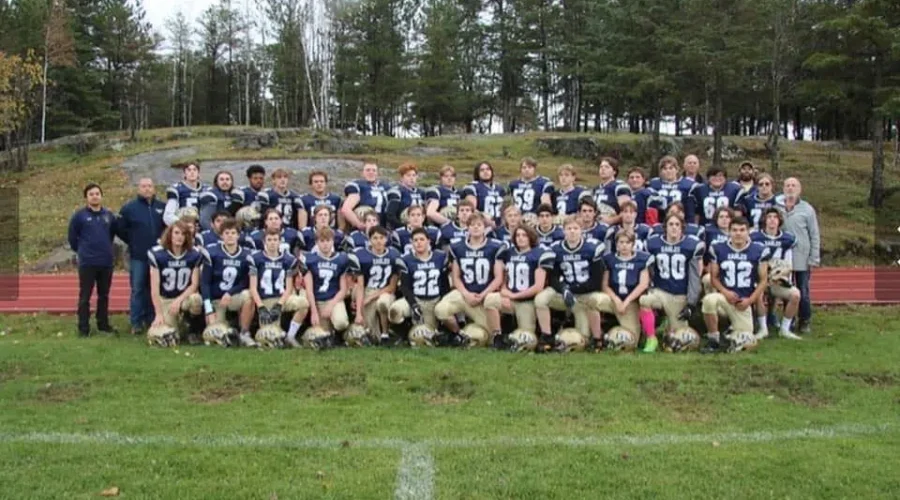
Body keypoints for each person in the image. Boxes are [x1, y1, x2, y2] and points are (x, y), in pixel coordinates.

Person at [534, 215, 606, 348]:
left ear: (581, 230)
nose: (572, 231)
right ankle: (547, 336)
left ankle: (597, 337)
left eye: (575, 228)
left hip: (586, 294)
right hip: (565, 292)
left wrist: (570, 290)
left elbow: (596, 282)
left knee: (582, 338)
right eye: (569, 228)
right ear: (563, 231)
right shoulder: (556, 248)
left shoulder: (592, 247)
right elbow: (553, 278)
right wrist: (563, 289)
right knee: (540, 299)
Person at [434, 211, 507, 343]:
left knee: (487, 335)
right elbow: (456, 277)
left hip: (484, 296)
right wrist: (466, 294)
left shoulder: (495, 246)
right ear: (467, 228)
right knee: (441, 310)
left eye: (479, 224)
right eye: (472, 225)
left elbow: (498, 278)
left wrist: (483, 295)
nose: (476, 227)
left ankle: (473, 332)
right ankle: (458, 333)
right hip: (464, 294)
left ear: (485, 227)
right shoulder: (458, 247)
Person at [701, 216, 771, 352]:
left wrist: (750, 300)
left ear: (748, 232)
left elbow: (763, 281)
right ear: (729, 232)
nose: (738, 233)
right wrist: (725, 292)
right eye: (734, 230)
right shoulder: (718, 248)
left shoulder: (759, 250)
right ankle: (713, 339)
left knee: (746, 339)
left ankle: (729, 336)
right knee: (709, 300)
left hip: (743, 302)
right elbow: (714, 278)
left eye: (742, 230)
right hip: (725, 298)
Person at [640, 214, 705, 352]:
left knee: (678, 338)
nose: (674, 227)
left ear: (682, 228)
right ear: (665, 227)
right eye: (671, 224)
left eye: (677, 225)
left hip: (679, 296)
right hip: (660, 292)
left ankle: (667, 326)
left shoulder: (691, 246)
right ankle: (651, 339)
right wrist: (650, 286)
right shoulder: (653, 244)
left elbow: (694, 277)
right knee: (644, 300)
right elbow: (648, 269)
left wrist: (691, 304)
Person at [484, 225, 553, 348]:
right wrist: (504, 290)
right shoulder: (509, 253)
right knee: (490, 300)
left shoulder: (538, 254)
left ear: (530, 237)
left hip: (527, 301)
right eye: (518, 235)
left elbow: (538, 286)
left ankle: (515, 340)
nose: (520, 238)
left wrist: (515, 295)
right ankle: (498, 336)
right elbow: (506, 276)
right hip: (510, 299)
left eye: (524, 235)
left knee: (527, 337)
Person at [68, 183, 119, 336]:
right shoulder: (79, 216)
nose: (95, 196)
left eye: (97, 193)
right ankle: (83, 328)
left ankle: (103, 325)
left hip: (105, 262)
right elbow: (72, 238)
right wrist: (83, 251)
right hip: (87, 263)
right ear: (86, 198)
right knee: (85, 296)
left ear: (101, 196)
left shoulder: (108, 216)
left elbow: (111, 235)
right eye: (91, 194)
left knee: (104, 295)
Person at [116, 177, 166, 335]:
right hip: (139, 256)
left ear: (154, 188)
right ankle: (136, 322)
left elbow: (167, 230)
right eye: (143, 186)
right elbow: (120, 229)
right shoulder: (129, 208)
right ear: (139, 188)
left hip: (158, 257)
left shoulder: (162, 207)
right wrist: (133, 241)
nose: (147, 189)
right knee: (137, 289)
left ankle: (152, 319)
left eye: (150, 186)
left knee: (154, 288)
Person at [200, 219, 256, 347]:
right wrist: (209, 310)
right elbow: (205, 283)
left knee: (249, 295)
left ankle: (244, 333)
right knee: (217, 335)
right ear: (221, 235)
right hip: (216, 300)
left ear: (238, 235)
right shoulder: (213, 253)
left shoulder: (246, 255)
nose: (230, 235)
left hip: (232, 297)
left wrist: (230, 293)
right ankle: (227, 329)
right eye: (227, 233)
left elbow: (244, 282)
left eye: (233, 232)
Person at [249, 229, 308, 347]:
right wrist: (261, 307)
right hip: (266, 300)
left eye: (275, 240)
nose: (272, 243)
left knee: (304, 303)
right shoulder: (256, 258)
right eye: (269, 240)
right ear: (264, 242)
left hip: (282, 298)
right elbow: (253, 288)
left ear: (280, 242)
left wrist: (280, 304)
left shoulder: (287, 259)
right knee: (271, 336)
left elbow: (289, 287)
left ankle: (290, 336)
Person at [751, 208, 802, 340]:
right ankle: (763, 328)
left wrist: (782, 275)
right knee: (758, 294)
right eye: (769, 217)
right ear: (764, 220)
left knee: (795, 295)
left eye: (775, 217)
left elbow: (789, 264)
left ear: (779, 220)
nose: (772, 219)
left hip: (777, 280)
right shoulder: (755, 238)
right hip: (760, 279)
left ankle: (784, 329)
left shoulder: (787, 238)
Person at [778, 177, 820, 334]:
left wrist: (814, 258)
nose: (790, 188)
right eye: (787, 185)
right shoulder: (777, 207)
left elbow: (814, 234)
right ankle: (789, 318)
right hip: (783, 258)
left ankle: (805, 320)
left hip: (802, 256)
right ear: (783, 188)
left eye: (793, 185)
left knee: (803, 290)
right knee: (785, 290)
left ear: (800, 189)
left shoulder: (807, 210)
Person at [390, 228, 451, 334]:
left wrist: (442, 301)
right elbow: (405, 286)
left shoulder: (439, 257)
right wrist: (413, 305)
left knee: (426, 334)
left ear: (428, 241)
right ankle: (403, 333)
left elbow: (444, 283)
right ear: (411, 243)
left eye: (422, 239)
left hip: (434, 300)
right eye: (415, 240)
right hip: (416, 299)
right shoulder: (406, 259)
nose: (418, 242)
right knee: (395, 311)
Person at [148, 220, 202, 338]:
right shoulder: (158, 254)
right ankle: (180, 325)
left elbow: (194, 284)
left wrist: (178, 300)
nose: (180, 237)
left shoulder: (193, 254)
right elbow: (154, 288)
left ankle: (192, 329)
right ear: (170, 234)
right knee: (169, 335)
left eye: (183, 234)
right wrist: (158, 313)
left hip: (184, 298)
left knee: (196, 299)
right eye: (176, 233)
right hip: (166, 299)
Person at [598, 230, 653, 346]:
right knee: (592, 301)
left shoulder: (641, 259)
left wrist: (626, 302)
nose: (624, 245)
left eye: (627, 242)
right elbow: (605, 285)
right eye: (621, 242)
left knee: (631, 340)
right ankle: (596, 336)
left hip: (630, 302)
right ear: (616, 245)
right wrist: (617, 301)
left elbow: (643, 284)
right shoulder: (609, 259)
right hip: (612, 299)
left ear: (633, 244)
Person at [349, 226, 401, 343]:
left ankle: (385, 334)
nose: (378, 241)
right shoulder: (361, 255)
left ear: (386, 239)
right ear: (370, 240)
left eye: (381, 238)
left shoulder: (394, 255)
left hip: (385, 292)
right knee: (371, 334)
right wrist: (360, 309)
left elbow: (392, 287)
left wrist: (370, 298)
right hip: (367, 289)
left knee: (382, 303)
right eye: (375, 238)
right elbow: (360, 284)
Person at [301, 227, 352, 334]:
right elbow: (309, 289)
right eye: (322, 241)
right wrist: (314, 311)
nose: (325, 244)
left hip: (334, 299)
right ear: (316, 243)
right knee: (321, 334)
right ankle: (332, 333)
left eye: (328, 241)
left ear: (333, 241)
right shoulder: (310, 259)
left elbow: (343, 289)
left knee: (341, 322)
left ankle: (338, 333)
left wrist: (331, 304)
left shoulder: (341, 259)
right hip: (317, 300)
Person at [342, 161, 391, 230]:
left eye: (374, 170)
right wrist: (359, 224)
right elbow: (346, 209)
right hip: (363, 227)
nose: (371, 172)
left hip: (382, 227)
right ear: (362, 173)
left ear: (377, 173)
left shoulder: (386, 187)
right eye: (368, 170)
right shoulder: (357, 185)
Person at [649, 156, 696, 222]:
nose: (668, 171)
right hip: (660, 220)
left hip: (680, 222)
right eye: (665, 168)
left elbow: (690, 209)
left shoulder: (687, 184)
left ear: (677, 169)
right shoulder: (654, 184)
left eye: (671, 168)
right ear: (661, 171)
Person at [462, 162, 506, 228]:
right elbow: (471, 208)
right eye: (482, 170)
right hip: (482, 224)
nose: (485, 172)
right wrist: (485, 219)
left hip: (499, 223)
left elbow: (506, 208)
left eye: (488, 169)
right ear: (477, 173)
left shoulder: (499, 188)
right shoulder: (473, 187)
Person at [591, 156, 631, 225]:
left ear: (614, 171)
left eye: (607, 167)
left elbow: (628, 211)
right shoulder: (595, 189)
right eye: (601, 167)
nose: (603, 169)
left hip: (614, 227)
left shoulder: (619, 186)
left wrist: (612, 220)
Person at [386, 162, 424, 230]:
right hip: (402, 228)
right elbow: (390, 215)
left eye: (414, 175)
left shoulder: (421, 192)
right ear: (401, 177)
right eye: (408, 175)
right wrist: (404, 226)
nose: (411, 178)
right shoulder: (397, 191)